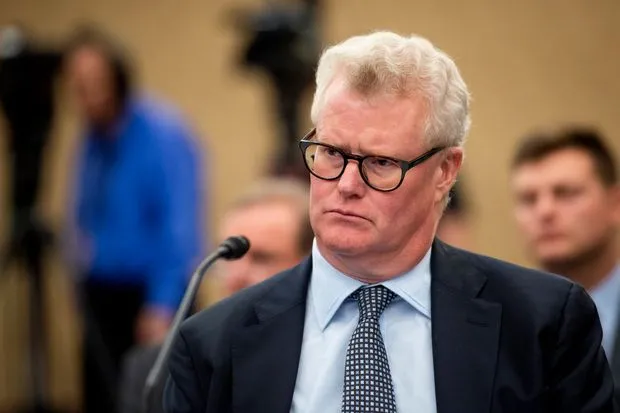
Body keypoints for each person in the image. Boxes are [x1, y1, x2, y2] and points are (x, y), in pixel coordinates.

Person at [163, 31, 615, 413]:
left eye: (380, 162)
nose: (346, 185)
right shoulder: (211, 344)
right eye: (331, 153)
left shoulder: (542, 324)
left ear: (445, 172)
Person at [62, 26, 204, 413]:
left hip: (151, 299)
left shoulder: (163, 132)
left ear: (117, 78)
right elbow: (81, 213)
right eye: (76, 83)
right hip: (101, 298)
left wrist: (162, 301)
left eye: (93, 80)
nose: (84, 93)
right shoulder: (90, 138)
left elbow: (179, 227)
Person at [117, 177, 313, 413]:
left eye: (262, 259)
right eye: (229, 257)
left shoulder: (326, 359)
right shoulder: (156, 370)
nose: (237, 276)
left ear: (310, 264)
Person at [510, 127, 620, 398]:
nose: (544, 211)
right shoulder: (500, 322)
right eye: (528, 199)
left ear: (615, 204)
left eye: (566, 193)